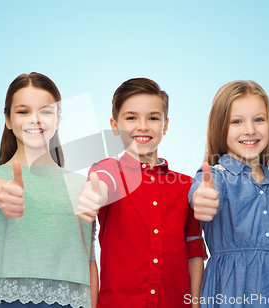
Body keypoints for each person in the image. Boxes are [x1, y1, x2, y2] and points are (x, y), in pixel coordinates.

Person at [77, 78, 206, 308]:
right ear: (114, 126)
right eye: (131, 117)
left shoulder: (187, 186)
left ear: (165, 126)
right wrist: (94, 195)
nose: (143, 126)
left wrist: (195, 305)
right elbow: (102, 183)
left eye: (153, 118)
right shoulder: (108, 171)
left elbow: (194, 252)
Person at [0, 72, 98, 308]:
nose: (35, 119)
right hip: (9, 302)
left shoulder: (81, 185)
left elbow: (89, 258)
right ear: (8, 120)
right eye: (23, 111)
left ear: (58, 119)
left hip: (71, 303)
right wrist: (3, 193)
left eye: (46, 111)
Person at [189, 80, 269, 308]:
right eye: (236, 121)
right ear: (220, 127)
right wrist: (202, 199)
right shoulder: (216, 177)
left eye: (259, 119)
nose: (250, 130)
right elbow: (200, 193)